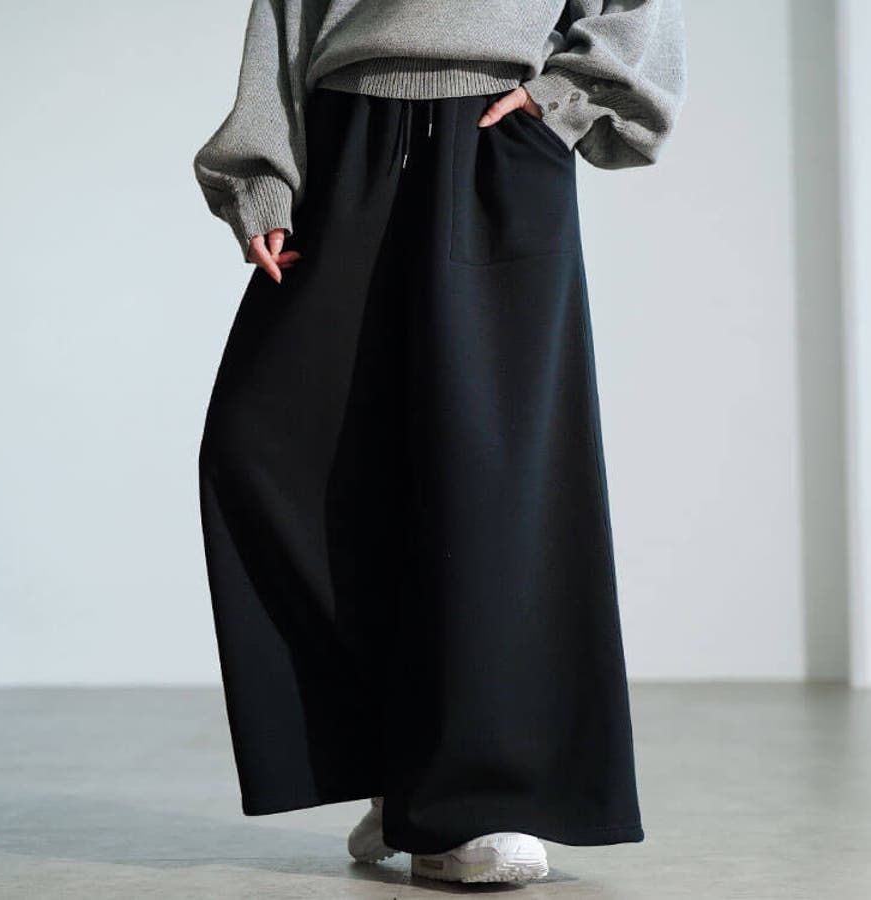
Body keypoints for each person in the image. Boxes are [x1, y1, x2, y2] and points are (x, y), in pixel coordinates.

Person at [193, 0, 687, 885]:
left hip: (494, 135)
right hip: (344, 136)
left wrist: (566, 97)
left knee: (489, 473)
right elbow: (286, 13)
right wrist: (262, 172)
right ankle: (402, 761)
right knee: (265, 446)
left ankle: (481, 800)